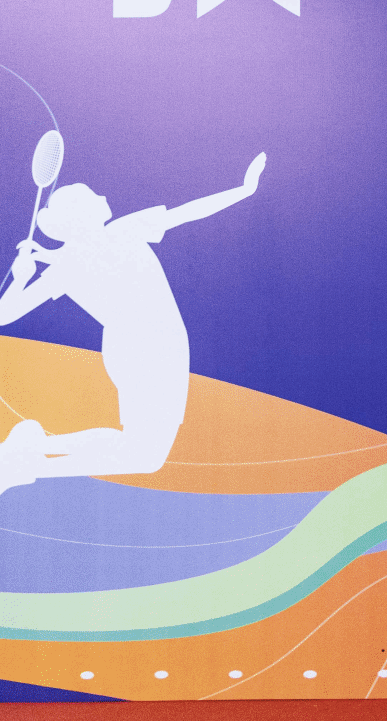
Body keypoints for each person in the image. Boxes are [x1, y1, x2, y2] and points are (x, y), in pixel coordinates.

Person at [0, 154, 266, 495]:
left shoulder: (67, 263)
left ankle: (29, 451)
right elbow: (187, 212)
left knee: (140, 449)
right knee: (145, 456)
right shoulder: (122, 231)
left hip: (141, 347)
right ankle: (24, 462)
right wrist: (243, 190)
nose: (103, 197)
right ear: (83, 215)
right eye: (93, 196)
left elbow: (7, 313)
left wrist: (22, 277)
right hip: (153, 347)